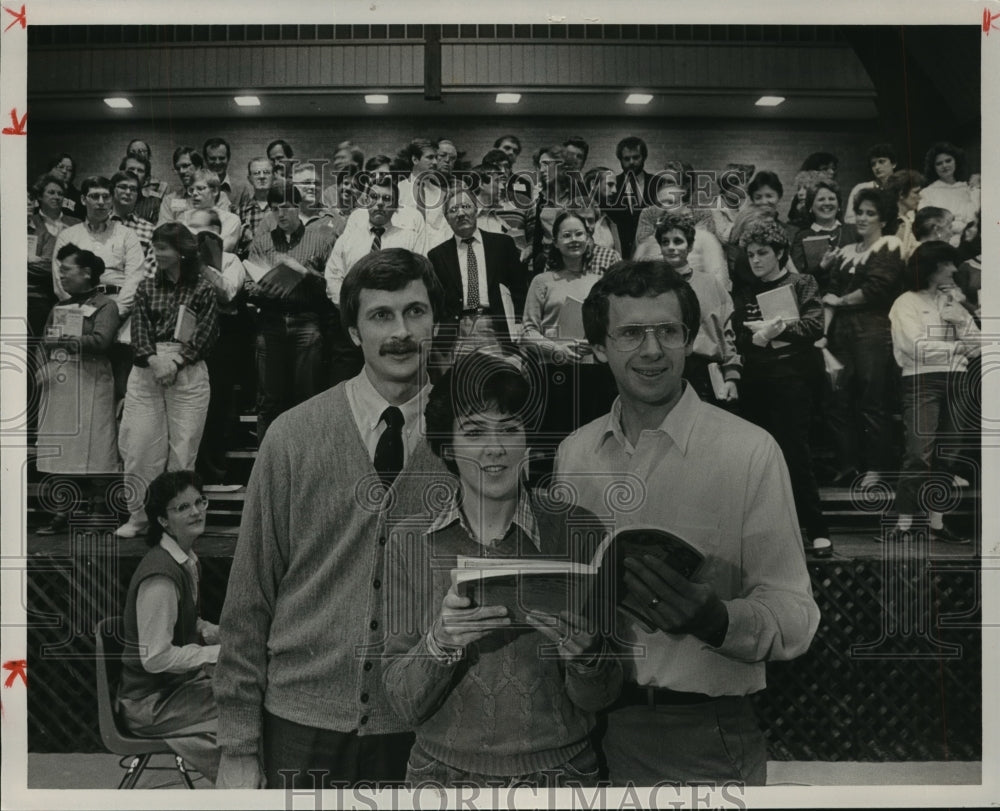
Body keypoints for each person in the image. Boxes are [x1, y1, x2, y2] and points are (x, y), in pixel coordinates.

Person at [555, 259, 819, 786]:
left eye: (668, 331)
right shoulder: (573, 452)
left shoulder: (749, 451)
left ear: (689, 339)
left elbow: (795, 615)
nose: (652, 351)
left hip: (699, 740)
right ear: (600, 347)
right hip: (578, 734)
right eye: (630, 333)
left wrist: (716, 619)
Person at [214, 249, 450, 790]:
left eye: (415, 312)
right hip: (300, 723)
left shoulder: (472, 439)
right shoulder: (293, 437)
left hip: (428, 725)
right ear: (351, 331)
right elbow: (248, 599)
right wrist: (238, 745)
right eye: (380, 315)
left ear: (436, 321)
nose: (401, 332)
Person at [382, 350, 621, 787]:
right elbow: (402, 703)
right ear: (446, 446)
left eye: (510, 429)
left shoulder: (578, 528)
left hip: (562, 775)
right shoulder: (409, 540)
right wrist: (440, 641)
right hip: (442, 776)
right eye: (473, 432)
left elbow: (601, 697)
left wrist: (588, 657)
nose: (495, 448)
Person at [734, 221, 832, 557]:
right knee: (758, 458)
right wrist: (756, 338)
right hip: (756, 381)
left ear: (779, 253)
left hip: (793, 379)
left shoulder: (801, 282)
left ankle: (816, 529)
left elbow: (815, 325)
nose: (756, 260)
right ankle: (766, 534)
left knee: (795, 453)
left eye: (762, 253)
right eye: (750, 254)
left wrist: (777, 330)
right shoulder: (745, 291)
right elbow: (739, 336)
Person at [117, 470, 221, 784]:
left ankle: (241, 783)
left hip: (172, 691)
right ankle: (246, 788)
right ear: (163, 520)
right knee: (245, 704)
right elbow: (156, 658)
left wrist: (211, 631)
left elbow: (182, 621)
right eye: (182, 508)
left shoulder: (184, 559)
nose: (196, 511)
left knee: (245, 692)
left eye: (199, 502)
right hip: (149, 706)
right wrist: (218, 653)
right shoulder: (160, 576)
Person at [116, 223, 219, 538]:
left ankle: (178, 522)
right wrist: (154, 360)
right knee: (140, 448)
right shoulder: (146, 287)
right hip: (148, 371)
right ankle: (139, 517)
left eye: (163, 248)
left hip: (187, 373)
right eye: (154, 248)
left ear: (182, 252)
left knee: (182, 453)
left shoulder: (202, 288)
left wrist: (176, 361)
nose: (156, 254)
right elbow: (140, 330)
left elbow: (207, 331)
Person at [886, 241, 980, 545]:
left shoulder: (953, 301)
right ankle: (903, 524)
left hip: (958, 380)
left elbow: (979, 344)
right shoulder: (905, 303)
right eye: (947, 264)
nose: (954, 269)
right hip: (921, 382)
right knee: (918, 453)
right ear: (931, 267)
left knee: (948, 454)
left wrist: (961, 320)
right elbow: (913, 347)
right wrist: (956, 347)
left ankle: (936, 524)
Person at [820, 187, 904, 488]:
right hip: (839, 330)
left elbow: (878, 288)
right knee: (836, 398)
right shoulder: (845, 252)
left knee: (872, 399)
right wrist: (824, 334)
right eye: (860, 212)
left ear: (883, 218)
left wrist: (839, 302)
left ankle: (876, 468)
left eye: (871, 213)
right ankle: (848, 464)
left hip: (872, 329)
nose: (863, 218)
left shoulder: (890, 244)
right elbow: (829, 292)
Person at [34, 245, 121, 534]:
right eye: (59, 270)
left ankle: (98, 512)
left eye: (66, 269)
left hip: (90, 380)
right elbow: (45, 341)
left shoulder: (105, 305)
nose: (61, 275)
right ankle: (62, 513)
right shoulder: (58, 306)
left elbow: (102, 341)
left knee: (96, 448)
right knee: (62, 449)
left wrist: (71, 341)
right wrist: (41, 366)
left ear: (86, 273)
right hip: (60, 384)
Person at [651, 213, 740, 409]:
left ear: (690, 246)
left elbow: (726, 332)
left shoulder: (710, 285)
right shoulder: (650, 287)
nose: (671, 247)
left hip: (703, 374)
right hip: (663, 371)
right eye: (666, 242)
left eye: (678, 241)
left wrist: (731, 376)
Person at [427, 187, 526, 352]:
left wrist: (519, 322)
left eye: (465, 207)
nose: (460, 214)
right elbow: (435, 302)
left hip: (496, 325)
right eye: (453, 210)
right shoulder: (437, 256)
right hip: (457, 332)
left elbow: (519, 289)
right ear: (447, 218)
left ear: (476, 210)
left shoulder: (502, 245)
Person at [521, 210, 621, 363]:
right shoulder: (542, 281)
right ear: (555, 242)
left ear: (587, 238)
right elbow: (527, 333)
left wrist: (595, 345)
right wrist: (556, 349)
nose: (574, 240)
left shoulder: (599, 282)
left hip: (589, 367)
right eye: (566, 235)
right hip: (551, 368)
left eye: (579, 234)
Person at [28, 173, 80, 338]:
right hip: (37, 296)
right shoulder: (30, 222)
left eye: (60, 193)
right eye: (51, 192)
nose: (57, 197)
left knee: (64, 347)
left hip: (70, 295)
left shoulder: (76, 223)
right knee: (35, 344)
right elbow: (25, 268)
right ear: (39, 197)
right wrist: (62, 267)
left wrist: (42, 262)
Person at [789, 179, 858, 293]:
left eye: (831, 199)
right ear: (810, 206)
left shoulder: (853, 231)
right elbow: (798, 279)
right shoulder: (802, 236)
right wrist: (821, 267)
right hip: (818, 299)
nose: (827, 203)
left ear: (839, 205)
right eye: (821, 199)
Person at [917, 141, 980, 245]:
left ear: (955, 162)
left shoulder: (968, 189)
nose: (944, 165)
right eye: (939, 163)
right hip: (944, 243)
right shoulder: (927, 193)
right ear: (934, 168)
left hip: (971, 241)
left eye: (948, 161)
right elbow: (929, 224)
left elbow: (976, 217)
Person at [844, 143, 898, 224]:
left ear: (893, 164)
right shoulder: (861, 188)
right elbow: (849, 219)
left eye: (881, 162)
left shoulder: (901, 188)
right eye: (873, 164)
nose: (877, 167)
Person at [884, 169, 925, 261]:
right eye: (916, 192)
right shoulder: (899, 224)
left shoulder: (905, 219)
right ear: (901, 194)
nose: (920, 197)